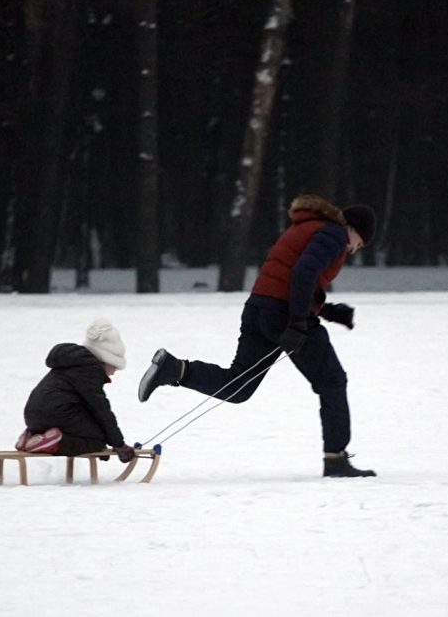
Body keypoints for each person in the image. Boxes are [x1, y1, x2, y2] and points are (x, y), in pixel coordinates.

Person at [138, 194, 378, 477]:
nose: (352, 250)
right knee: (332, 380)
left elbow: (291, 276)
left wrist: (326, 310)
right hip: (284, 314)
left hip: (259, 307)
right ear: (352, 228)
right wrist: (299, 322)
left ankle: (175, 369)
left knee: (239, 386)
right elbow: (303, 273)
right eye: (358, 244)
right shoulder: (334, 234)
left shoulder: (308, 227)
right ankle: (336, 459)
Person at [15, 319, 136, 464]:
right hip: (58, 415)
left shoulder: (73, 363)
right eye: (114, 366)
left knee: (95, 435)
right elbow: (100, 409)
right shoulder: (89, 370)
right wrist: (118, 444)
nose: (114, 372)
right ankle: (53, 444)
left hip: (33, 416)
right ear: (105, 360)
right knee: (96, 439)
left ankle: (31, 438)